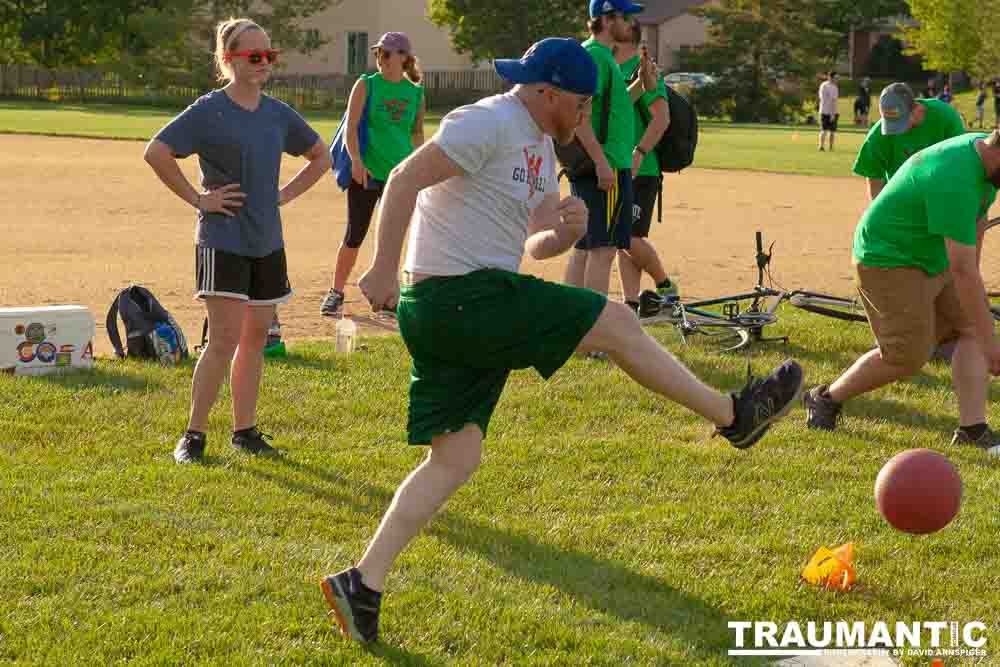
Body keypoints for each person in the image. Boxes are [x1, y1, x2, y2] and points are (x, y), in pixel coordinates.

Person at [319, 38, 805, 643]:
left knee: (455, 458)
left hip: (463, 304)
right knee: (618, 323)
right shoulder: (492, 120)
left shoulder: (541, 149)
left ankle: (361, 583)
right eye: (580, 102)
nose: (585, 114)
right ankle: (735, 415)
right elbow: (403, 178)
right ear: (548, 91)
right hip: (459, 295)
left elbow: (531, 243)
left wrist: (561, 231)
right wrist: (382, 266)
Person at [144, 17, 330, 463]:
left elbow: (321, 155)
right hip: (223, 239)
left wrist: (283, 194)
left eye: (270, 55)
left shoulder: (277, 113)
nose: (265, 62)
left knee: (255, 340)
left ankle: (244, 431)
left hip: (268, 241)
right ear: (229, 60)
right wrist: (197, 198)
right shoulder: (208, 110)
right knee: (223, 340)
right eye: (254, 56)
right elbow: (157, 151)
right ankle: (193, 435)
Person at [803, 131, 1000, 456]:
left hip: (934, 255)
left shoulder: (987, 165)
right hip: (888, 258)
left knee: (971, 330)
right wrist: (992, 345)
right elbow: (963, 268)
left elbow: (977, 224)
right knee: (907, 355)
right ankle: (825, 398)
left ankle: (972, 430)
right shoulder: (955, 176)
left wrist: (973, 305)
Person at [320, 32, 425, 317]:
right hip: (367, 172)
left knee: (394, 239)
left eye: (387, 54)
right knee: (355, 234)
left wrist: (421, 168)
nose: (381, 59)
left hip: (400, 178)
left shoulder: (415, 92)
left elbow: (416, 134)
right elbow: (351, 128)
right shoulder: (366, 84)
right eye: (378, 53)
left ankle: (387, 296)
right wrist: (355, 160)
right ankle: (336, 292)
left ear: (404, 57)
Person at [562, 0, 655, 300]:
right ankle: (596, 330)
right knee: (603, 250)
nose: (631, 24)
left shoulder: (601, 56)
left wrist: (641, 84)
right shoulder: (595, 57)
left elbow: (612, 109)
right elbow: (580, 118)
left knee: (586, 246)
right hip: (607, 167)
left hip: (605, 164)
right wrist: (602, 163)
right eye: (625, 17)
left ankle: (573, 324)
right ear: (606, 18)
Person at [614, 18, 678, 313]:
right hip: (618, 165)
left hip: (641, 168)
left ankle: (666, 288)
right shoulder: (608, 68)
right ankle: (632, 302)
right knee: (623, 241)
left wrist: (638, 153)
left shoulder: (644, 71)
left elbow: (661, 118)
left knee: (626, 236)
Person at [853, 83, 964, 202]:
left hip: (941, 195)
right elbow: (874, 182)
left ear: (916, 109)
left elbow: (961, 166)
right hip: (898, 198)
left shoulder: (945, 117)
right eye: (890, 123)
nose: (894, 130)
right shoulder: (877, 136)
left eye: (900, 122)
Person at [818, 71, 839, 152]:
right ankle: (829, 147)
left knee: (824, 130)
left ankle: (822, 146)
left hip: (823, 110)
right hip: (830, 111)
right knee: (830, 130)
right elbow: (833, 101)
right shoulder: (833, 87)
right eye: (836, 78)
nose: (837, 79)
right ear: (830, 77)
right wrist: (832, 114)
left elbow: (822, 98)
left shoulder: (823, 85)